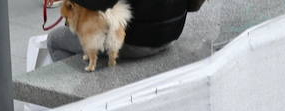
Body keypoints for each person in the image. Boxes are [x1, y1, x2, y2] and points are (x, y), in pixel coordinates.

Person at [47, 0, 199, 64]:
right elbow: (194, 5)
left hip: (136, 41)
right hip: (172, 33)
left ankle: (74, 108)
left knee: (55, 41)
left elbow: (101, 2)